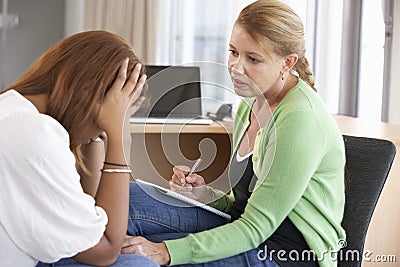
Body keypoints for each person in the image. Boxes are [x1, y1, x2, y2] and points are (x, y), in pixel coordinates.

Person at [120, 1, 346, 266]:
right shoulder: (250, 102)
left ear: (287, 63)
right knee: (131, 198)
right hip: (246, 229)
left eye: (253, 59)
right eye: (233, 52)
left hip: (283, 254)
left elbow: (255, 227)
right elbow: (242, 204)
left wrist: (167, 251)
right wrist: (204, 195)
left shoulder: (299, 120)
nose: (236, 67)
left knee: (140, 258)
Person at [0, 30, 159, 267]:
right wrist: (120, 139)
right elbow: (105, 251)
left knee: (148, 231)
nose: (105, 132)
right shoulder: (33, 134)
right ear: (87, 90)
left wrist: (97, 128)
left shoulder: (15, 107)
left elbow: (88, 205)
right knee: (138, 264)